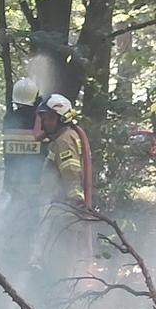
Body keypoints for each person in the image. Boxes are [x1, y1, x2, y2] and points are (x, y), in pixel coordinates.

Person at [30, 93, 96, 270]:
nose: (45, 122)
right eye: (44, 118)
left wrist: (75, 200)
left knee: (55, 259)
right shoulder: (67, 136)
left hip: (62, 211)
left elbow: (71, 172)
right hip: (61, 208)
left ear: (60, 118)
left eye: (49, 118)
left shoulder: (64, 141)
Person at [0, 76, 46, 235]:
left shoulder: (9, 118)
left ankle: (7, 243)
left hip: (12, 182)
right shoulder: (39, 120)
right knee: (31, 222)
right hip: (35, 183)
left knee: (12, 219)